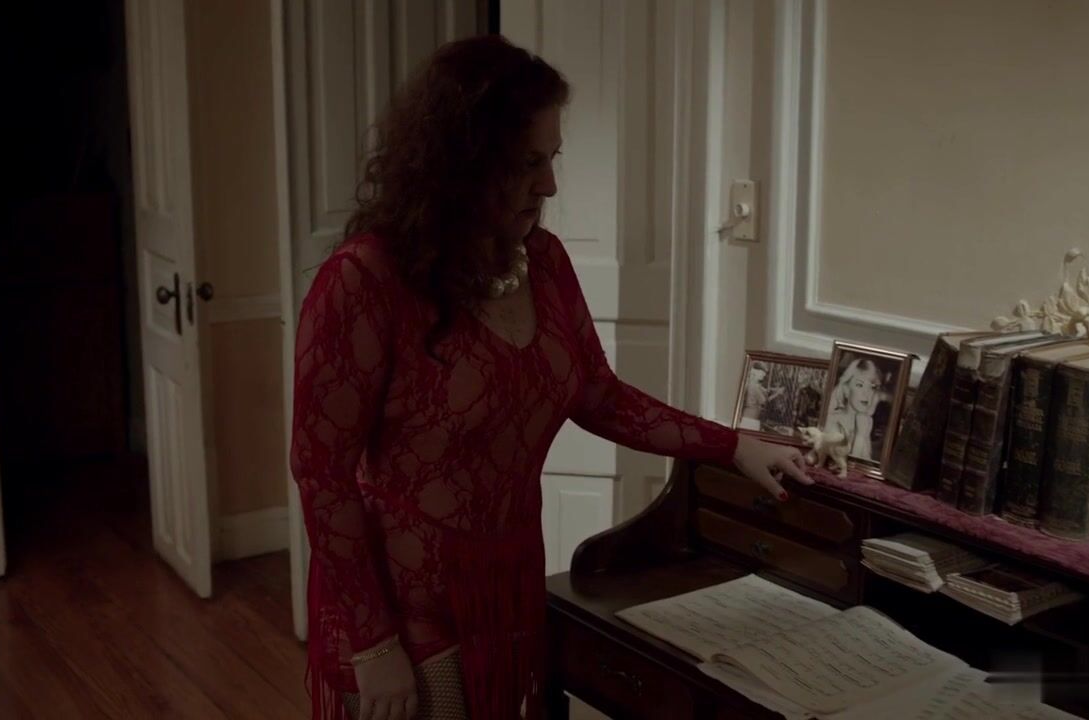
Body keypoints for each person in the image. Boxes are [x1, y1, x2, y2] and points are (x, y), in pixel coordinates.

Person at [290, 35, 812, 720]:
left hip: (508, 584)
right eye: (526, 163)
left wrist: (733, 445)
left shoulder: (544, 261)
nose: (549, 186)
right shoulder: (365, 279)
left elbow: (600, 396)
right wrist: (372, 644)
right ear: (462, 162)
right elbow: (322, 472)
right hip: (404, 608)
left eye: (552, 159)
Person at [824, 357, 886, 461]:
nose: (866, 393)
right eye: (859, 385)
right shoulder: (833, 421)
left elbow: (865, 462)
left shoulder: (865, 421)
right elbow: (846, 463)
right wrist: (860, 436)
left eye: (872, 387)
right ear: (846, 390)